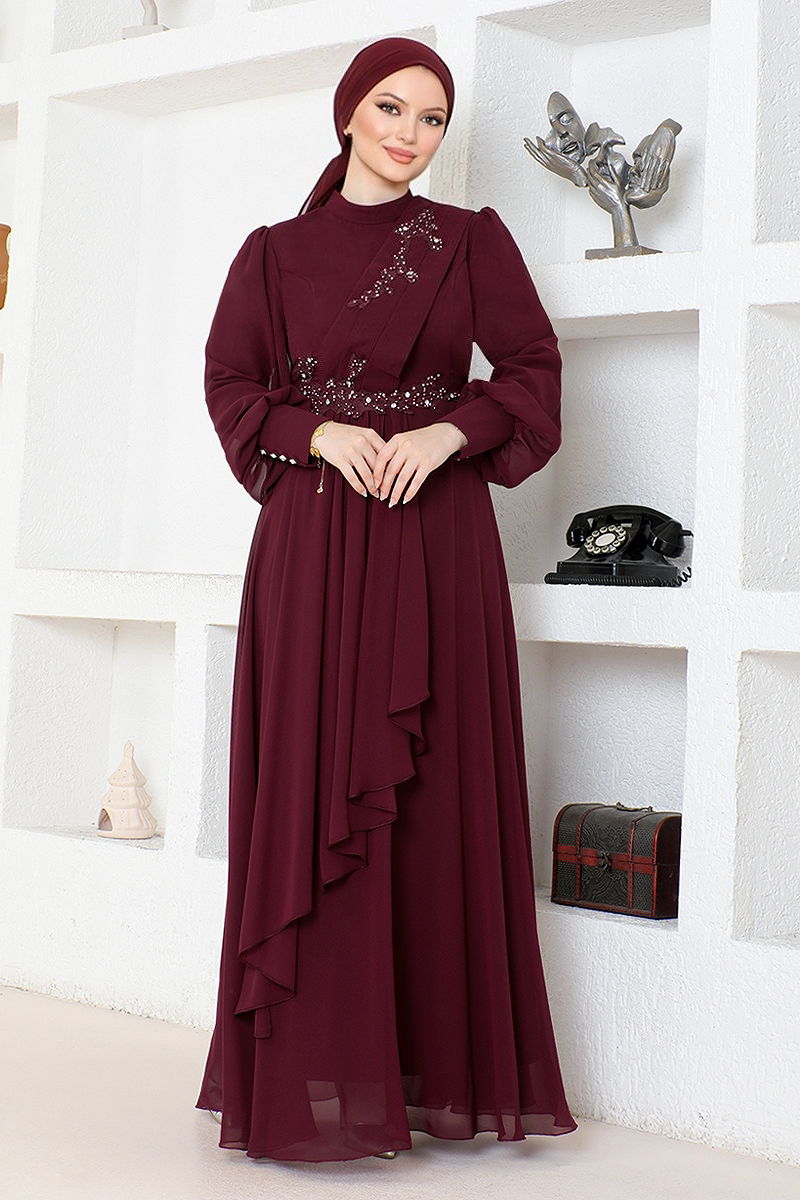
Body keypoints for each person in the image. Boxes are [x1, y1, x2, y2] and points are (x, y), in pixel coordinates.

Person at [195, 35, 578, 1163]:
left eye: (431, 117)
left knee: (434, 794)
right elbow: (231, 386)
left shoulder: (467, 239)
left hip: (434, 542)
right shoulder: (272, 254)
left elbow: (530, 372)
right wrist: (317, 431)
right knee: (315, 788)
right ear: (349, 113)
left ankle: (427, 1078)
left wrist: (449, 433)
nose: (410, 133)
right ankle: (315, 1082)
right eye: (391, 108)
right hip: (313, 550)